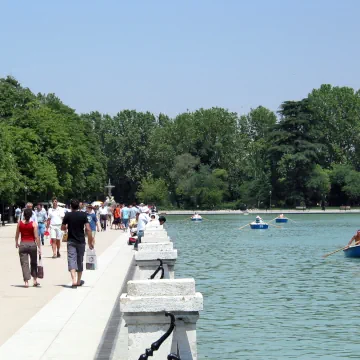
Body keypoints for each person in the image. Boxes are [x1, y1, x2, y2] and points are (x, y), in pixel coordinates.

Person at [61, 199, 93, 288]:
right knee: (80, 260)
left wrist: (67, 226)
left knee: (71, 259)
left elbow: (62, 228)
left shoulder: (67, 215)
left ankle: (73, 280)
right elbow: (88, 229)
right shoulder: (83, 215)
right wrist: (90, 242)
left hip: (71, 240)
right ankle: (79, 281)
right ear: (79, 206)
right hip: (81, 241)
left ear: (70, 206)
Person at [15, 208, 41, 287]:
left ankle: (26, 282)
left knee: (24, 263)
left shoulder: (19, 224)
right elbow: (36, 237)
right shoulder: (34, 224)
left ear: (23, 215)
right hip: (32, 245)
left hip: (23, 244)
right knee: (33, 262)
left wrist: (16, 242)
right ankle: (35, 280)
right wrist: (39, 247)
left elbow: (17, 235)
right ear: (31, 215)